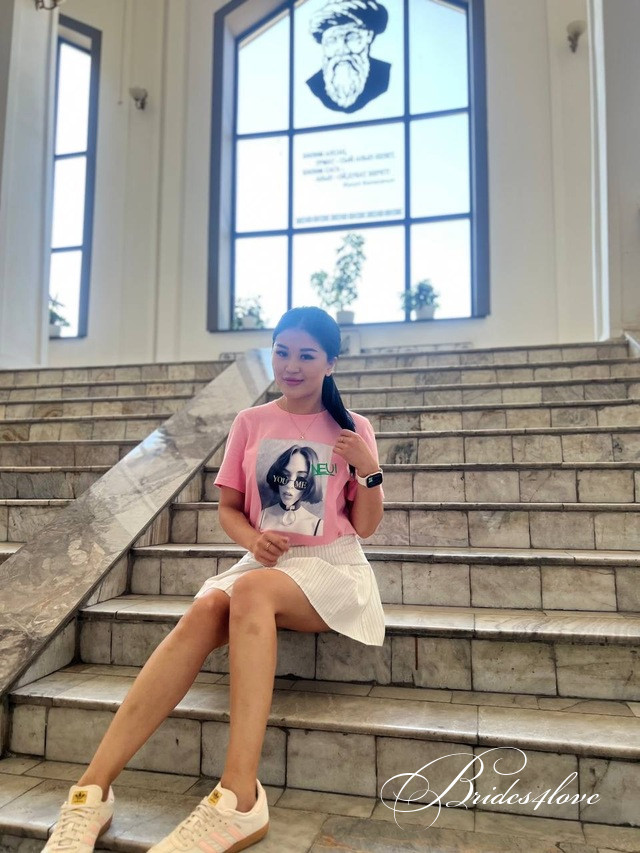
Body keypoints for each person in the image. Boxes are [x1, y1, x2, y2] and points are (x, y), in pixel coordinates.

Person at [41, 305, 386, 853]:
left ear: (331, 363)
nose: (291, 365)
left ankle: (239, 797)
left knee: (248, 590)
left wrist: (369, 468)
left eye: (306, 355)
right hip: (266, 564)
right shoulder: (250, 422)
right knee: (205, 609)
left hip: (332, 567)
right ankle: (91, 790)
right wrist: (254, 540)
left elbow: (365, 527)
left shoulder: (352, 428)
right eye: (282, 352)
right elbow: (228, 509)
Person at [306, 0, 391, 113]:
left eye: (351, 37)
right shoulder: (315, 84)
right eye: (332, 40)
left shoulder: (384, 75)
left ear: (368, 37)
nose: (342, 50)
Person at [259, 445, 324, 536]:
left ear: (310, 483)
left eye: (301, 478)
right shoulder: (262, 516)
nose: (289, 485)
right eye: (285, 475)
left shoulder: (317, 525)